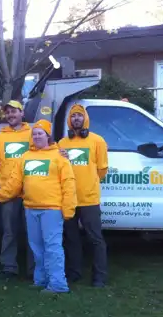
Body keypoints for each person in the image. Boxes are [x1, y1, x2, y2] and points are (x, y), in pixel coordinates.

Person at [0, 120, 77, 293]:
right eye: (34, 134)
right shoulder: (25, 157)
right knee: (36, 247)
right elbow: (14, 184)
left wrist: (68, 209)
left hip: (52, 209)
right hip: (31, 208)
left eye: (40, 133)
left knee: (52, 247)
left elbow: (69, 184)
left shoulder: (59, 157)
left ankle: (58, 284)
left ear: (48, 136)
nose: (36, 136)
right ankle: (41, 280)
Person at [58, 104, 108, 287]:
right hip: (69, 200)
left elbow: (102, 170)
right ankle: (74, 273)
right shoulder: (62, 144)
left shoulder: (97, 141)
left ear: (85, 119)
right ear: (69, 120)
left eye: (79, 115)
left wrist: (88, 182)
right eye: (73, 116)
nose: (76, 119)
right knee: (71, 239)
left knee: (95, 239)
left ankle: (99, 277)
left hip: (89, 199)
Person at [0, 100, 34, 280]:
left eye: (14, 111)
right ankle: (9, 267)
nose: (11, 114)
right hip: (7, 193)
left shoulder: (32, 134)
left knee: (32, 232)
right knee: (9, 231)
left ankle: (33, 270)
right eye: (8, 112)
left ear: (22, 113)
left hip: (32, 192)